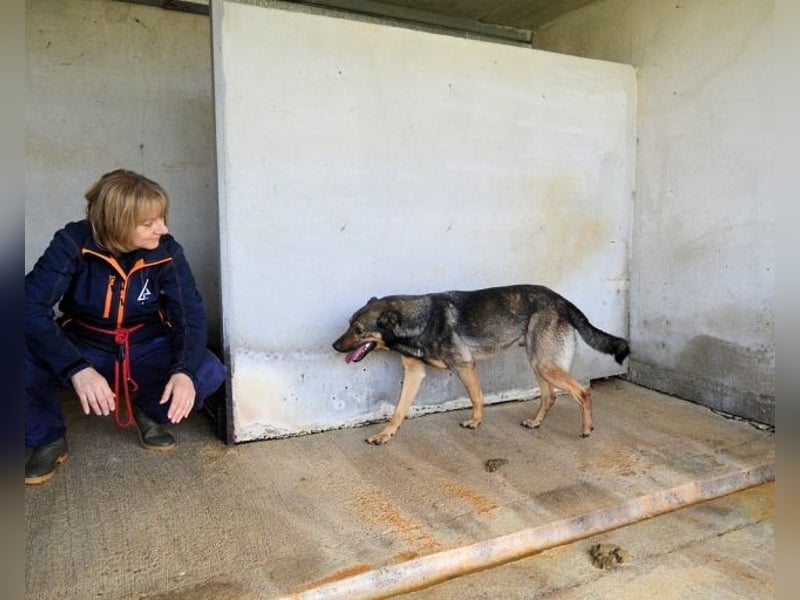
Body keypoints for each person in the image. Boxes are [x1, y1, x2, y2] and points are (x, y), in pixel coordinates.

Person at [25, 169, 226, 485]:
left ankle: (148, 412)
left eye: (161, 218)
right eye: (148, 223)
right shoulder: (72, 242)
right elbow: (28, 308)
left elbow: (190, 316)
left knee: (208, 370)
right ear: (116, 223)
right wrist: (75, 367)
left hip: (145, 344)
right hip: (84, 343)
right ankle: (47, 438)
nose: (163, 228)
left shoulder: (167, 251)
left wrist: (184, 371)